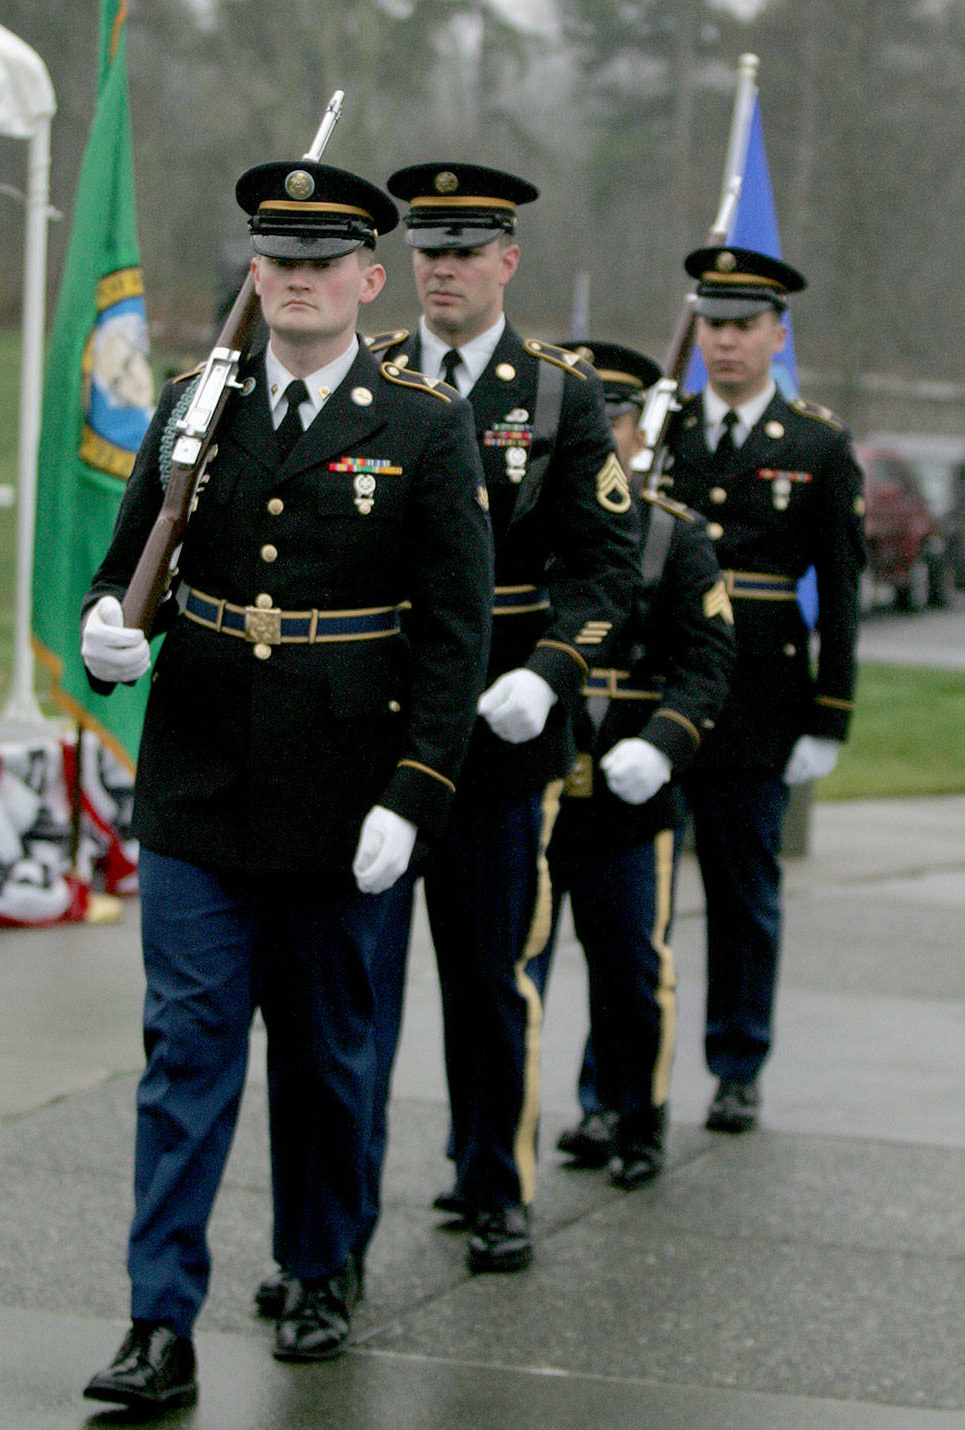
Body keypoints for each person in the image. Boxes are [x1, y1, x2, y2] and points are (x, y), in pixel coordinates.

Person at [79, 159, 493, 1412]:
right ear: (253, 274)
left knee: (324, 1056)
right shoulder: (194, 407)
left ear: (370, 280)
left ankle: (319, 1266)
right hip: (202, 782)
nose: (297, 280)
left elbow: (452, 631)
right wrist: (111, 632)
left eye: (322, 264)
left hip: (343, 787)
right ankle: (160, 1319)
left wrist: (413, 790)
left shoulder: (419, 423)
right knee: (186, 1048)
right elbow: (124, 572)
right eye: (276, 261)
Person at [364, 163, 640, 1274]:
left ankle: (493, 1180)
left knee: (488, 975)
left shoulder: (560, 395)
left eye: (465, 249)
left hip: (500, 726)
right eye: (428, 249)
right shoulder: (373, 372)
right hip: (381, 719)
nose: (442, 268)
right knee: (358, 984)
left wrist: (554, 671)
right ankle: (341, 1212)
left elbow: (604, 564)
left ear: (507, 262)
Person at [661, 246, 865, 1134]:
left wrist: (830, 712)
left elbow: (846, 593)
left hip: (758, 699)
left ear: (778, 335)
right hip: (659, 692)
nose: (727, 342)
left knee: (745, 893)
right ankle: (624, 1077)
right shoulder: (661, 432)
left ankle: (738, 1061)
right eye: (713, 323)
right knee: (637, 898)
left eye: (745, 326)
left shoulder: (818, 445)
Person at [539, 341, 735, 1185]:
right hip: (539, 781)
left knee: (629, 968)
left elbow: (707, 659)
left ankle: (635, 1114)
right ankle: (490, 1155)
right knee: (512, 978)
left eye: (613, 420)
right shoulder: (527, 527)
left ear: (637, 431)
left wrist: (664, 745)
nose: (602, 437)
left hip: (628, 790)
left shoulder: (676, 536)